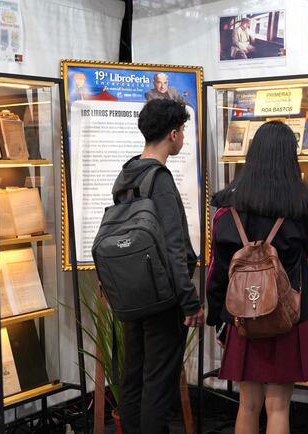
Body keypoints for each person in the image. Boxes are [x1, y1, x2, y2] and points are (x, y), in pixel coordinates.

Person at [207, 121, 308, 434]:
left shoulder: (226, 207)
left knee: (247, 404)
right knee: (278, 406)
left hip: (242, 314)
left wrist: (217, 315)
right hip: (289, 312)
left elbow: (217, 268)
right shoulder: (301, 204)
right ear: (290, 156)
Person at [113, 99, 204, 434]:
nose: (182, 138)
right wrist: (189, 300)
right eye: (182, 132)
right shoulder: (159, 180)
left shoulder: (126, 174)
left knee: (133, 379)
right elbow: (173, 246)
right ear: (173, 133)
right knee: (158, 385)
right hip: (163, 297)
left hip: (132, 293)